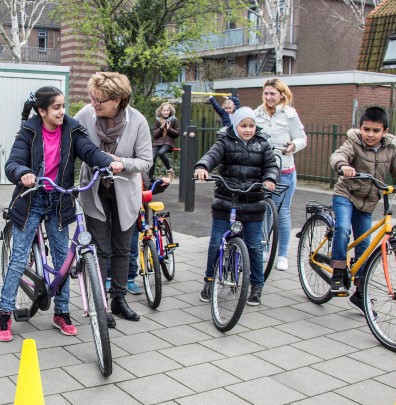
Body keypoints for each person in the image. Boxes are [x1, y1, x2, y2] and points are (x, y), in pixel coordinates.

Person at [0, 87, 122, 341]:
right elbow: (13, 162)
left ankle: (62, 312)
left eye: (63, 106)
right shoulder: (29, 131)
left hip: (60, 199)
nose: (62, 112)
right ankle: (4, 314)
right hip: (31, 198)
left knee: (62, 260)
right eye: (56, 107)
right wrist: (23, 173)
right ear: (42, 111)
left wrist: (107, 161)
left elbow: (89, 151)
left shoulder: (71, 128)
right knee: (19, 259)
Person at [76, 72, 153, 326]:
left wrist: (123, 163)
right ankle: (101, 305)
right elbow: (68, 140)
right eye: (92, 97)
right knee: (100, 249)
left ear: (118, 100)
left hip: (125, 192)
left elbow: (146, 161)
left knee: (123, 248)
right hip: (94, 190)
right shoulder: (86, 115)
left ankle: (119, 299)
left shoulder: (138, 121)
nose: (94, 103)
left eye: (100, 100)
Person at [329, 106, 396, 312]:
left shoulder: (391, 148)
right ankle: (337, 273)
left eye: (375, 130)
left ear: (385, 131)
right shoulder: (353, 142)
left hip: (369, 201)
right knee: (343, 229)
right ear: (360, 128)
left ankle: (360, 293)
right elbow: (338, 155)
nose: (370, 134)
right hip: (346, 194)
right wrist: (343, 165)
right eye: (366, 129)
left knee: (365, 248)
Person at [194, 107, 279, 306]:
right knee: (216, 242)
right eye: (243, 126)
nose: (248, 130)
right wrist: (202, 167)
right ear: (235, 125)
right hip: (226, 201)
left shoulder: (263, 144)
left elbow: (271, 166)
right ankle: (209, 281)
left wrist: (269, 179)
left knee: (255, 247)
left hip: (253, 202)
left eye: (251, 126)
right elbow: (211, 156)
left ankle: (257, 286)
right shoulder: (225, 142)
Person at [254, 77, 307, 272]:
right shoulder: (257, 113)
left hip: (284, 170)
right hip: (261, 170)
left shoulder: (289, 115)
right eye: (266, 93)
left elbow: (302, 138)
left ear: (282, 94)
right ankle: (263, 248)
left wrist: (294, 145)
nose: (269, 97)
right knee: (262, 210)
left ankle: (282, 254)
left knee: (281, 213)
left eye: (272, 94)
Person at [126, 171, 174, 294]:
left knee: (132, 250)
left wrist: (161, 183)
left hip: (139, 215)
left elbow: (150, 186)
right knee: (119, 248)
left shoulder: (141, 171)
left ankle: (130, 279)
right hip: (125, 212)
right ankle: (110, 277)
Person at [150, 103, 180, 178]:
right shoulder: (158, 120)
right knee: (152, 158)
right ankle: (149, 178)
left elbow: (177, 133)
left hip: (168, 143)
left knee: (161, 153)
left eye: (167, 110)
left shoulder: (174, 120)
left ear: (170, 111)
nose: (165, 112)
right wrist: (160, 128)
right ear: (161, 111)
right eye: (164, 110)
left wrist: (169, 129)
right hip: (157, 143)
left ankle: (169, 169)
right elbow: (155, 135)